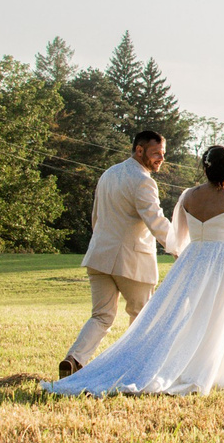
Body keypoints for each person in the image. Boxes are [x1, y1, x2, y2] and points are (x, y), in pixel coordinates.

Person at [49, 143, 224, 395]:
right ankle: (197, 367)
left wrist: (189, 252)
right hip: (220, 261)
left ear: (206, 168)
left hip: (189, 258)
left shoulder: (188, 196)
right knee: (216, 314)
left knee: (164, 315)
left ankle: (83, 359)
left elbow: (177, 238)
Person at [57, 129, 173, 380]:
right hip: (132, 261)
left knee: (101, 316)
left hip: (99, 255)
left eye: (163, 154)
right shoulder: (143, 181)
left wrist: (101, 242)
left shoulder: (108, 173)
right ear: (139, 150)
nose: (161, 159)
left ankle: (74, 359)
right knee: (141, 318)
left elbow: (96, 216)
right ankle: (132, 370)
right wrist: (179, 248)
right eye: (156, 154)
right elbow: (156, 221)